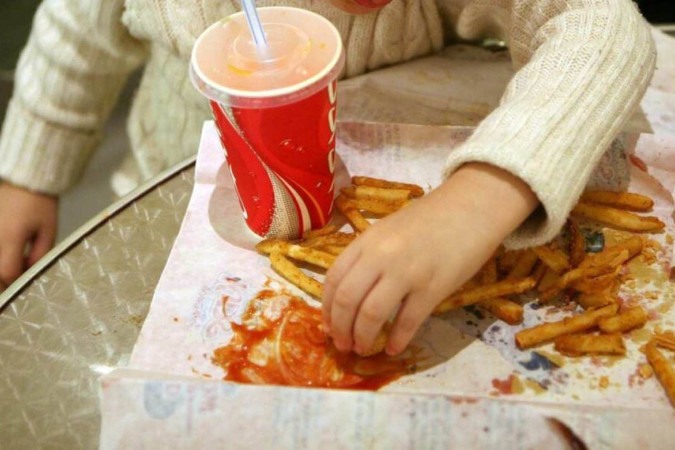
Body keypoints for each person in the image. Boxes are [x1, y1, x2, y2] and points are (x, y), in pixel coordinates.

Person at [0, 1, 655, 356]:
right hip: (168, 194)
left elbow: (604, 30)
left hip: (386, 217)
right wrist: (28, 174)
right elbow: (75, 33)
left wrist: (478, 197)